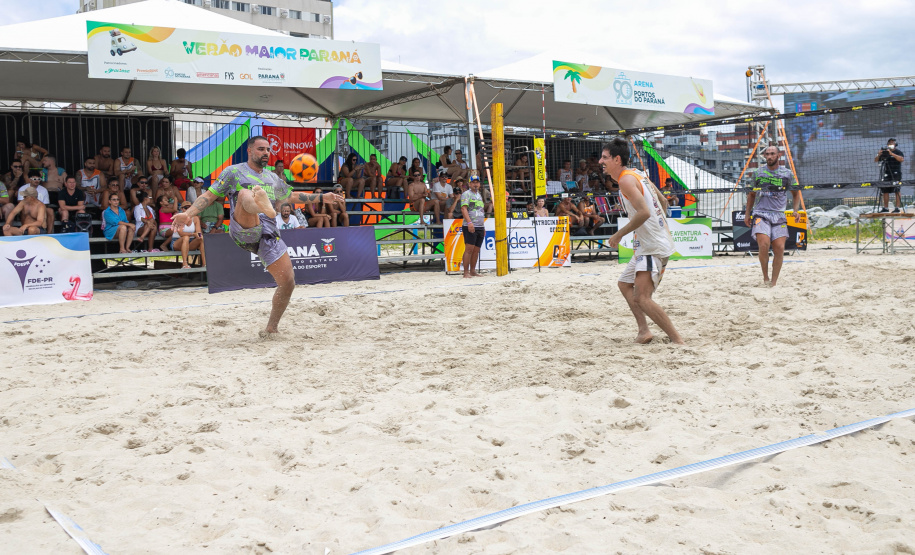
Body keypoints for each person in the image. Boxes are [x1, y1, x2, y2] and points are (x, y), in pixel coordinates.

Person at [172, 135, 341, 337]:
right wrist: (188, 213)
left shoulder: (272, 177)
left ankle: (271, 328)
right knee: (245, 194)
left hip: (268, 233)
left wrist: (323, 196)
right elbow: (209, 196)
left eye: (268, 149)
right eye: (261, 149)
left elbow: (291, 196)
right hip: (243, 229)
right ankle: (262, 206)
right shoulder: (234, 171)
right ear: (250, 151)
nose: (266, 153)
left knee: (288, 282)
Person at [602, 138, 684, 345]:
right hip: (649, 244)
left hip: (652, 247)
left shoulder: (625, 180)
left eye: (604, 158)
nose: (600, 162)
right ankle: (643, 331)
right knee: (624, 284)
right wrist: (656, 229)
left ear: (617, 159)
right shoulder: (638, 174)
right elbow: (663, 202)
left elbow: (644, 212)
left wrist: (619, 234)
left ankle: (677, 340)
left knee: (642, 298)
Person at [744, 145, 802, 287]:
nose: (769, 156)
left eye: (772, 154)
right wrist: (747, 214)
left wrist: (795, 210)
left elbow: (796, 193)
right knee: (763, 245)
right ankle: (765, 278)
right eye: (767, 154)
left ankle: (774, 283)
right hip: (761, 213)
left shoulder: (787, 173)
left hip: (779, 215)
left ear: (778, 155)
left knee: (780, 248)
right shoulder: (758, 173)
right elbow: (751, 195)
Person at [460, 175, 485, 278]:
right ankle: (466, 272)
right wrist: (469, 223)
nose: (475, 184)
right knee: (469, 249)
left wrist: (483, 226)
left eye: (477, 182)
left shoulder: (479, 195)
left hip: (480, 225)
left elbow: (481, 211)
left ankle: (473, 271)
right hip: (470, 225)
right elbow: (464, 209)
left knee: (476, 250)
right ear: (469, 184)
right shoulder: (466, 194)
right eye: (473, 182)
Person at [171, 200, 205, 268]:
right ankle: (184, 264)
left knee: (201, 238)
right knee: (186, 237)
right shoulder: (179, 217)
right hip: (177, 241)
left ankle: (205, 264)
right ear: (182, 209)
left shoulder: (195, 218)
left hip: (190, 242)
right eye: (185, 208)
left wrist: (199, 235)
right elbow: (181, 233)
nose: (188, 209)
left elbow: (199, 232)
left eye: (189, 207)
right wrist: (193, 234)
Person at [874, 138, 904, 213]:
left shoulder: (898, 152)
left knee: (897, 190)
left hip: (896, 173)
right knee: (885, 190)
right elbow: (876, 160)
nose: (891, 144)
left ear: (895, 144)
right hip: (887, 173)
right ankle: (886, 208)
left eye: (892, 143)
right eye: (889, 143)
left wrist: (892, 154)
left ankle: (897, 208)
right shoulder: (885, 152)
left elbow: (901, 159)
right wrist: (879, 154)